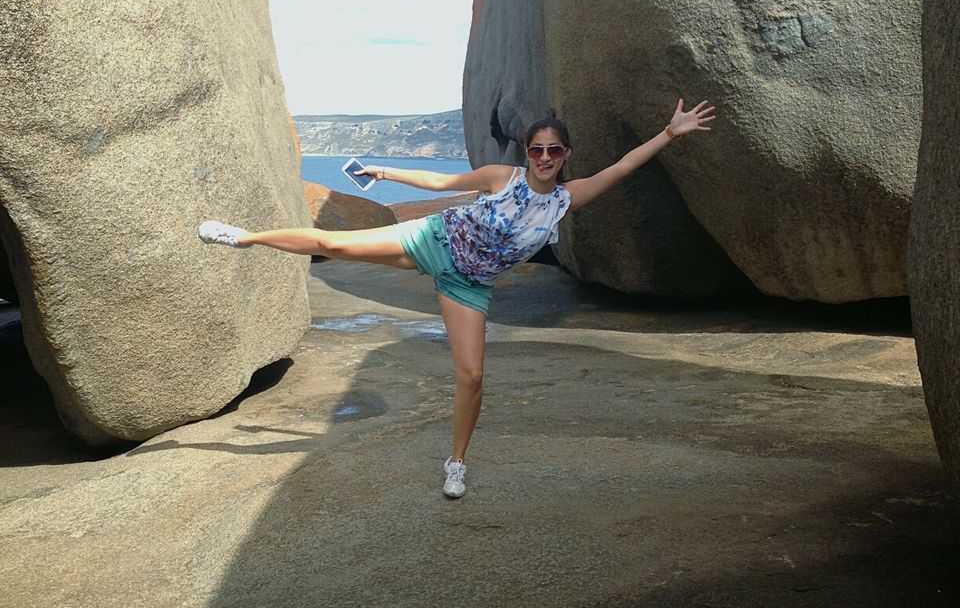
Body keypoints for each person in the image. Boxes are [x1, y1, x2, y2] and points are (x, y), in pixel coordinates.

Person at [199, 99, 716, 499]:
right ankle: (243, 238)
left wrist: (671, 133)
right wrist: (386, 173)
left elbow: (625, 166)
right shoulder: (502, 177)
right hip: (433, 240)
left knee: (471, 375)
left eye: (553, 151)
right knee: (334, 243)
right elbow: (440, 180)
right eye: (536, 149)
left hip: (467, 285)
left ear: (566, 157)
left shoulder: (566, 200)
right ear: (527, 153)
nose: (543, 158)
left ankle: (456, 464)